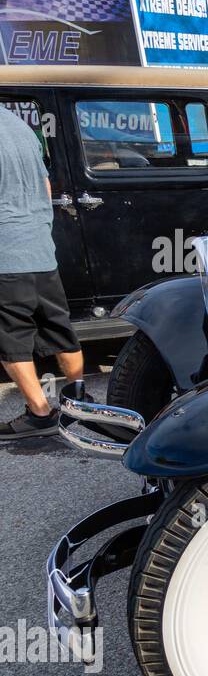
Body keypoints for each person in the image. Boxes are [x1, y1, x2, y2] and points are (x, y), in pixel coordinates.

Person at [0, 104, 84, 440]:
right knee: (58, 326)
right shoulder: (18, 126)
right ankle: (78, 400)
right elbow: (45, 185)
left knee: (12, 338)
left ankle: (40, 413)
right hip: (39, 247)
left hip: (6, 253)